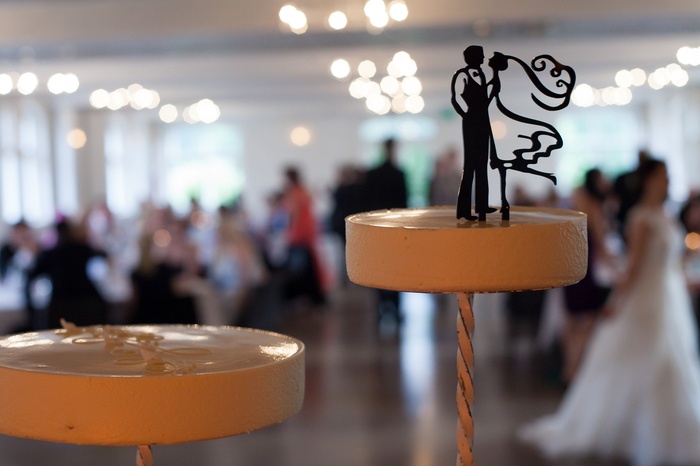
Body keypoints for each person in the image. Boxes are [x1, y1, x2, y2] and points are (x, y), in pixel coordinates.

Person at [520, 160, 700, 466]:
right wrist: (617, 302)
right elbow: (635, 268)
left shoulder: (665, 214)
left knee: (672, 359)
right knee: (651, 359)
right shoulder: (641, 217)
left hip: (669, 296)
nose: (668, 182)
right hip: (649, 300)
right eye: (663, 177)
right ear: (649, 181)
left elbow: (669, 261)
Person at [561, 168, 615, 381]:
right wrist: (618, 268)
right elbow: (602, 245)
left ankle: (569, 370)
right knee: (588, 325)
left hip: (569, 269)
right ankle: (576, 373)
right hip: (586, 272)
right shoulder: (593, 206)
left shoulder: (575, 204)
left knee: (571, 325)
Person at [27, 219, 109, 328]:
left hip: (60, 305)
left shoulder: (51, 254)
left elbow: (31, 275)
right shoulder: (82, 249)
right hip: (87, 301)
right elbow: (103, 254)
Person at [451, 45, 497, 221]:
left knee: (482, 165)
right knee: (470, 166)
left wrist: (493, 86)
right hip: (472, 123)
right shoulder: (462, 75)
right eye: (481, 56)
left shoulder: (482, 75)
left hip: (483, 122)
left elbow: (484, 102)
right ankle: (464, 209)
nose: (484, 59)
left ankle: (481, 205)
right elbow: (455, 98)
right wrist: (467, 115)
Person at [364, 138, 407, 323]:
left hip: (377, 228)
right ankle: (395, 306)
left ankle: (381, 306)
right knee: (396, 268)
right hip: (394, 228)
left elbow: (365, 204)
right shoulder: (399, 174)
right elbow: (404, 205)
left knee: (379, 267)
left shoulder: (372, 174)